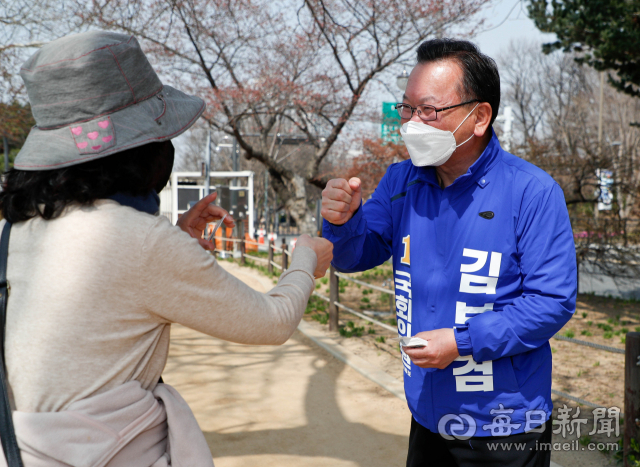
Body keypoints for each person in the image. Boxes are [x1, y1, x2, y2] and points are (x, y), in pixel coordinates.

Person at [0, 30, 332, 466]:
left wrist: (173, 235)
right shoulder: (140, 241)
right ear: (141, 150)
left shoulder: (14, 230)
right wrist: (305, 257)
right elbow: (271, 323)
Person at [322, 38, 576, 467]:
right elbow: (354, 256)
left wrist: (461, 343)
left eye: (429, 110)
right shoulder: (401, 180)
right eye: (406, 109)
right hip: (427, 409)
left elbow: (551, 302)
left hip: (504, 422)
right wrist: (342, 221)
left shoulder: (531, 191)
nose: (411, 124)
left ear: (479, 117)